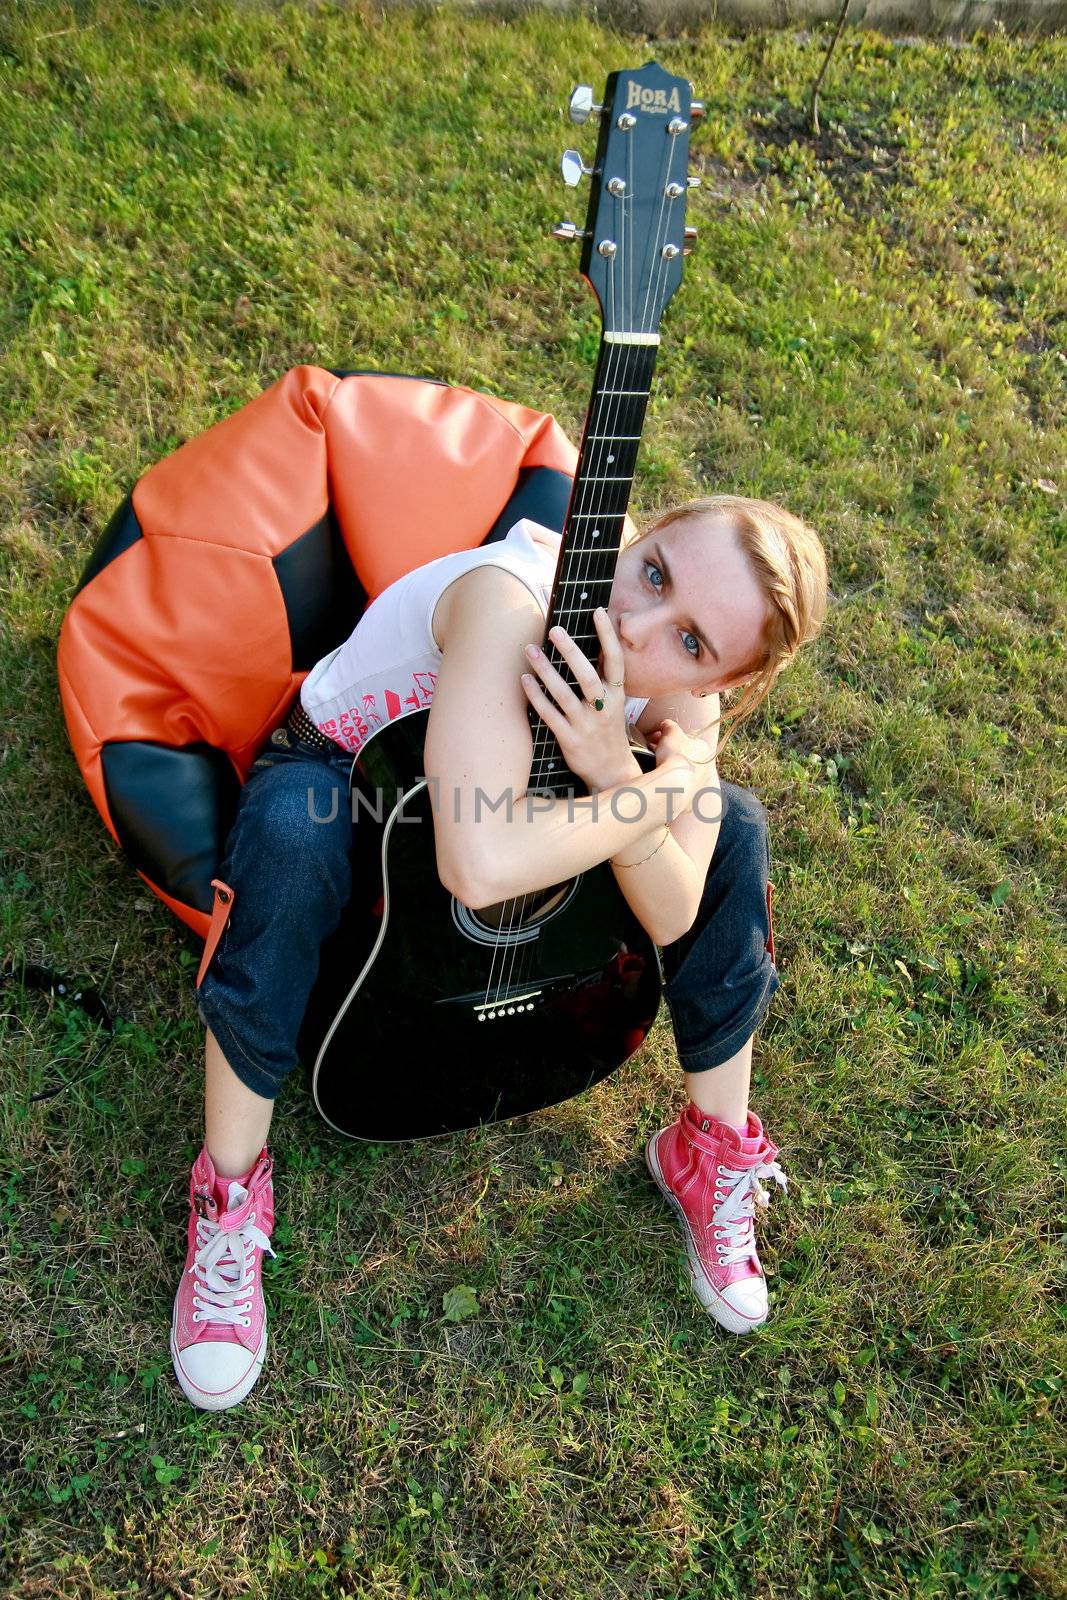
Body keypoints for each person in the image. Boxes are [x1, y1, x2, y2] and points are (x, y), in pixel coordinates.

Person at [171, 494, 828, 1411]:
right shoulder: (508, 597)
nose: (633, 627)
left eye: (691, 644)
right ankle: (228, 1199)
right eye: (652, 572)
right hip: (351, 788)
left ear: (728, 678)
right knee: (288, 840)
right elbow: (476, 864)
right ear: (639, 528)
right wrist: (648, 792)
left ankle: (707, 1145)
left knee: (736, 830)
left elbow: (677, 910)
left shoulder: (687, 703)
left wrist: (614, 773)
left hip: (522, 811)